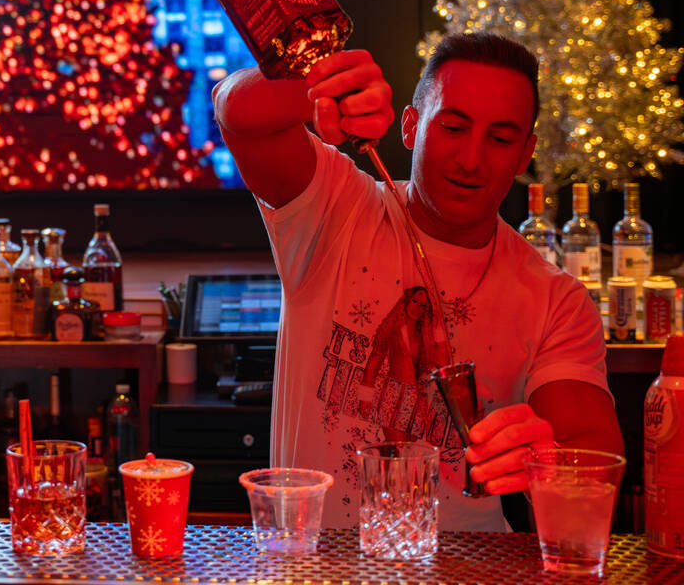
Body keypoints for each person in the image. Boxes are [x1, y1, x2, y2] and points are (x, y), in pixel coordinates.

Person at [212, 33, 622, 530]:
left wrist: (550, 461)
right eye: (452, 127)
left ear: (524, 155)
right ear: (411, 126)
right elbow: (237, 112)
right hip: (312, 562)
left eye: (500, 138)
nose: (471, 159)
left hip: (469, 565)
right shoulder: (336, 210)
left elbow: (594, 456)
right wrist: (320, 91)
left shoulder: (554, 298)